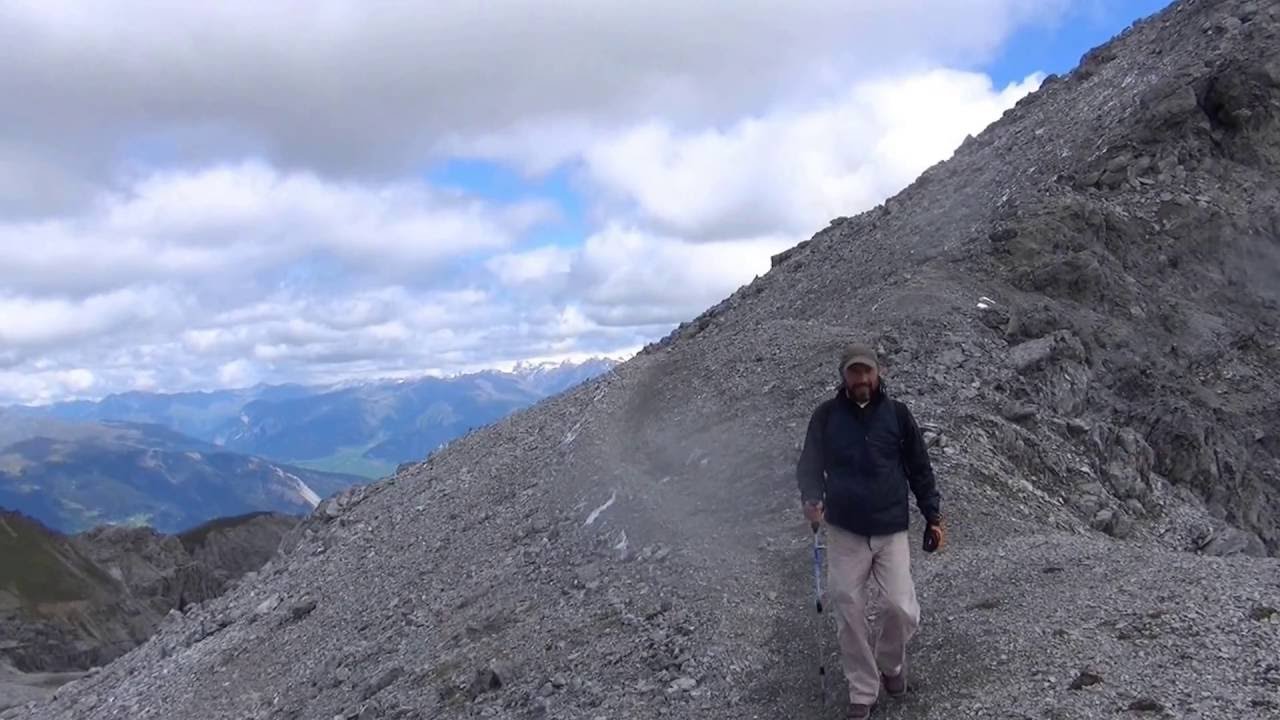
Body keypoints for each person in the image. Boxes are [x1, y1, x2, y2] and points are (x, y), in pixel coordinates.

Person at [796, 342, 945, 718]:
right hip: (844, 530)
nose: (861, 378)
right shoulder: (826, 416)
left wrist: (933, 516)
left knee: (900, 607)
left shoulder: (897, 415)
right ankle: (863, 688)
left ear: (879, 374)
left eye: (867, 371)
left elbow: (919, 468)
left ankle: (890, 663)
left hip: (891, 527)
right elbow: (810, 463)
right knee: (849, 607)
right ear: (843, 376)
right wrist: (811, 498)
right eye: (854, 372)